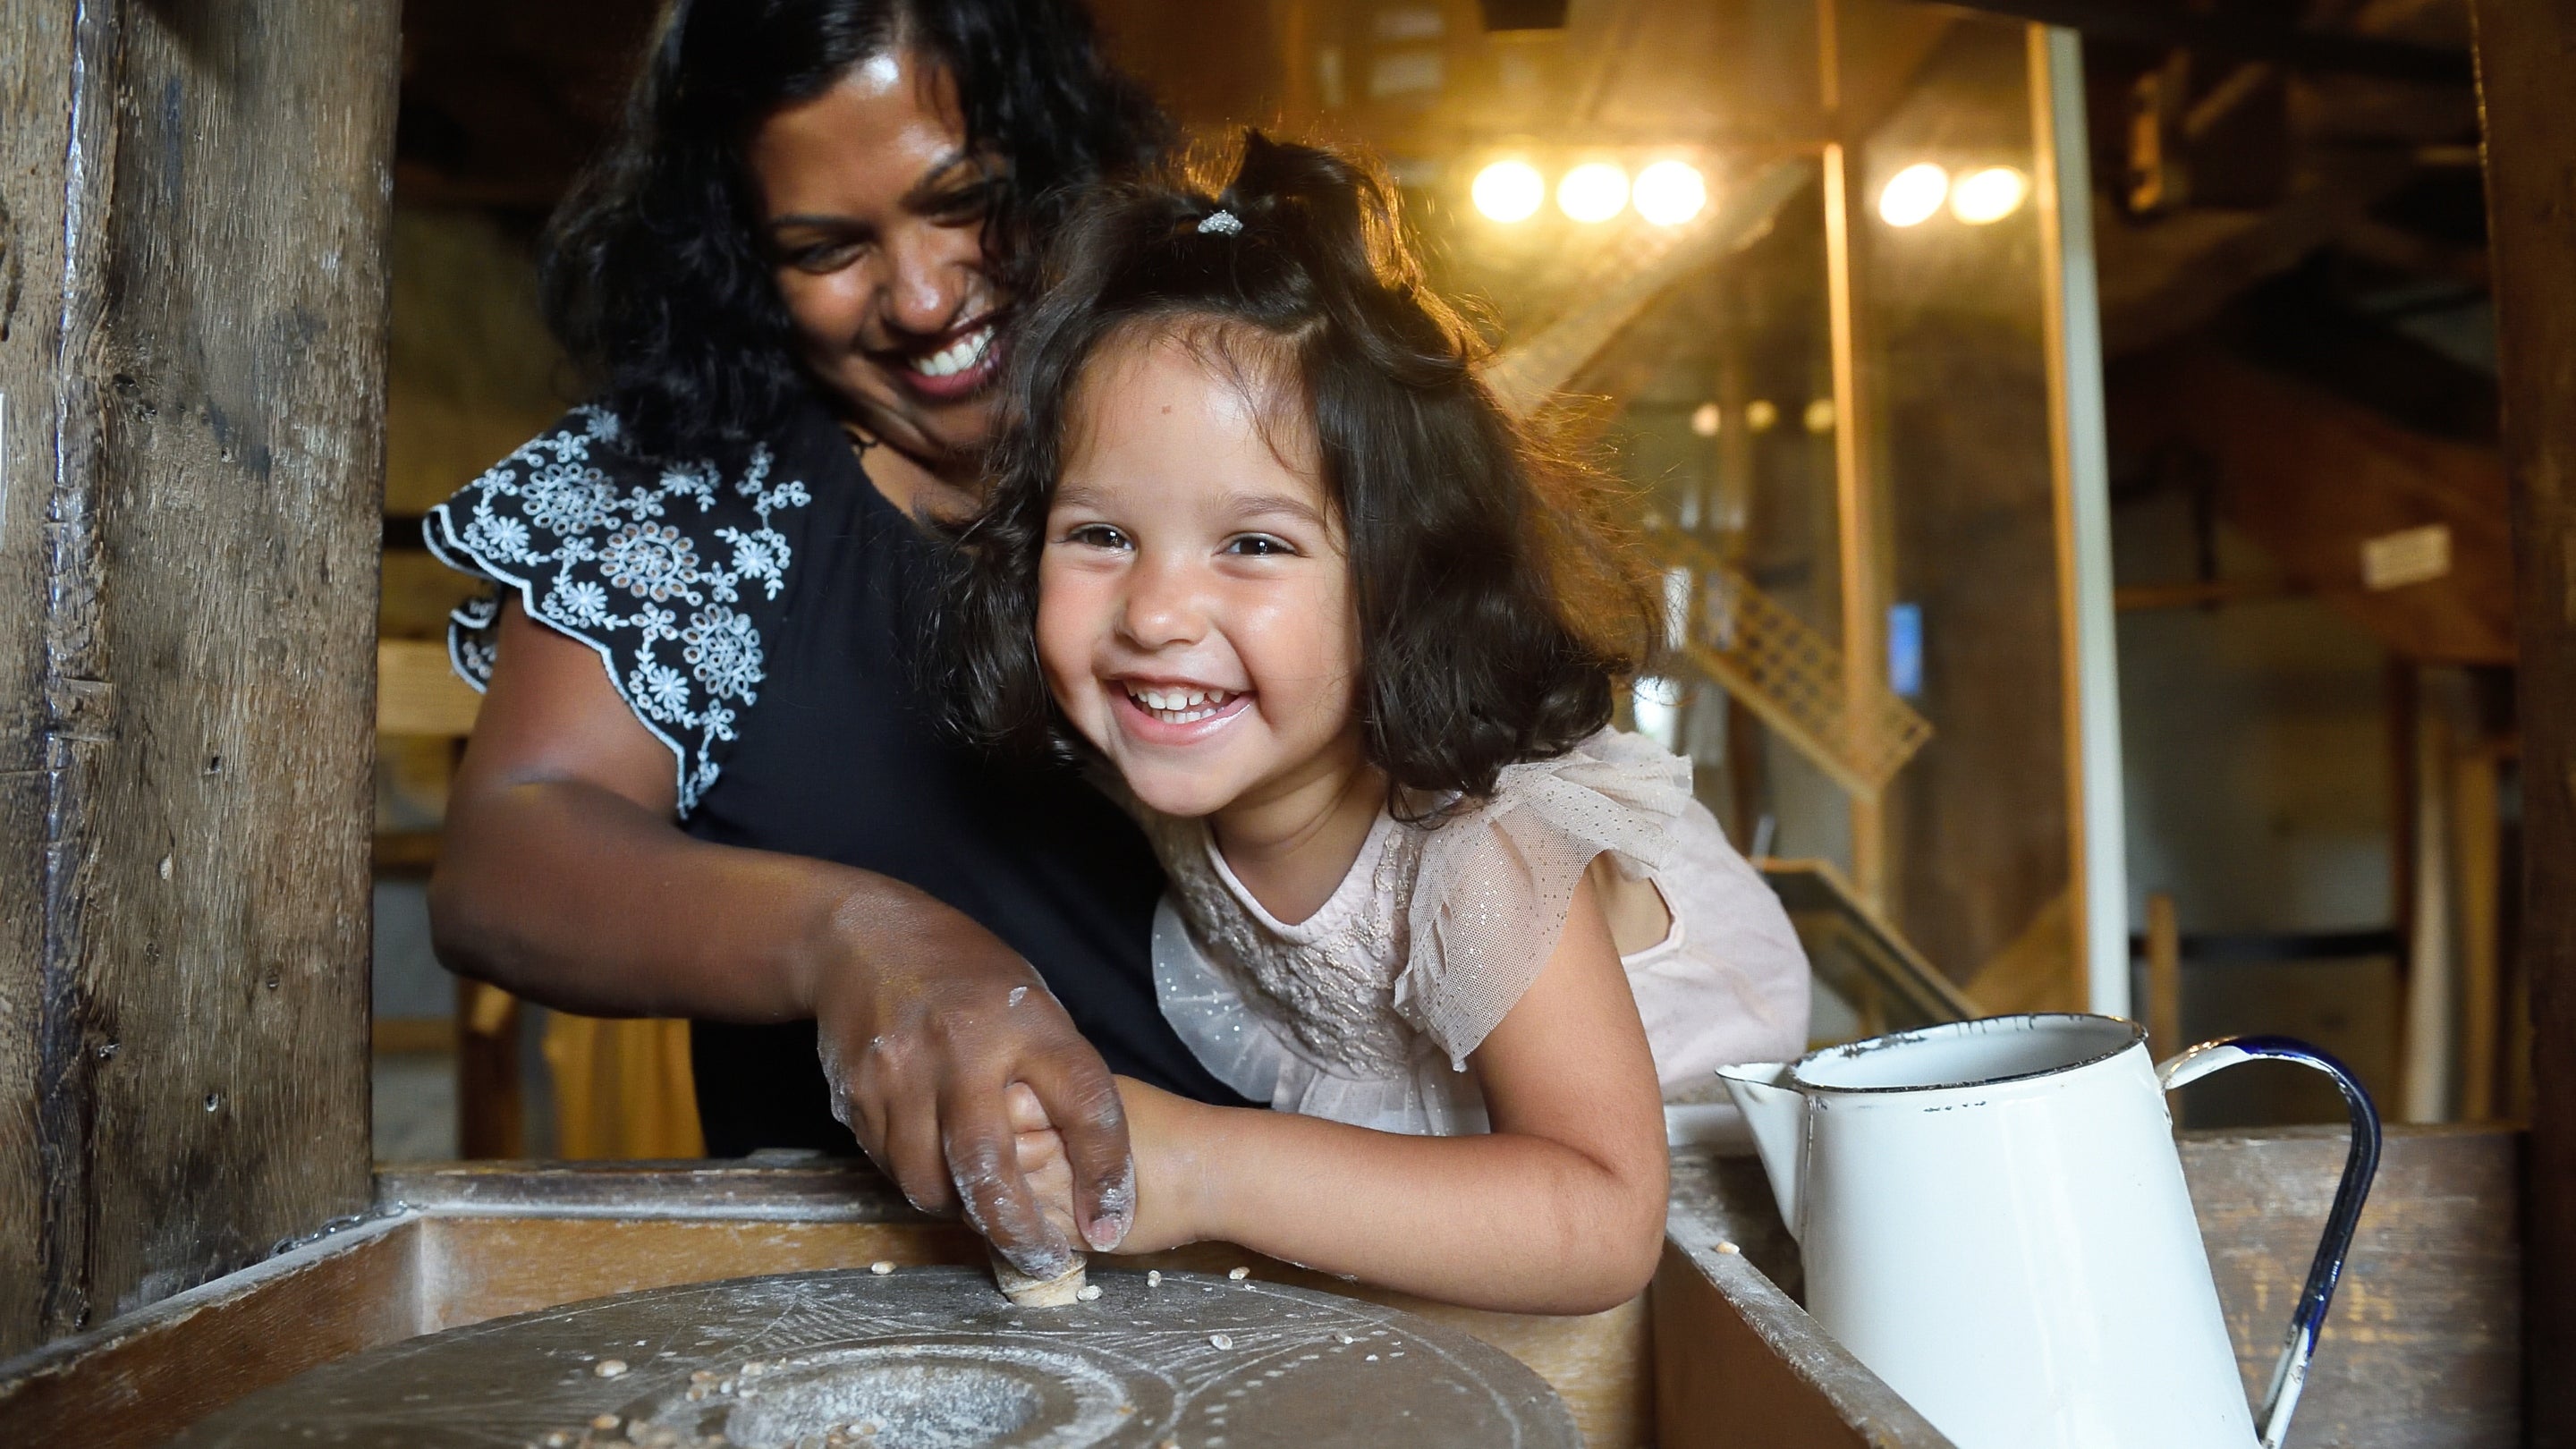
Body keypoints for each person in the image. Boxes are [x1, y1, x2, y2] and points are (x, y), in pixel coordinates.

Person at [424, 0, 1246, 1286]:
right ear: (740, 261)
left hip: (1300, 1269)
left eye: (967, 199)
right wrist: (852, 936)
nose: (921, 298)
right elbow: (510, 851)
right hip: (860, 1318)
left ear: (1063, 156)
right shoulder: (687, 497)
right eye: (826, 248)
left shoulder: (1258, 409)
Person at [940, 133, 1811, 1314]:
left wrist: (1195, 1166)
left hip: (1693, 1249)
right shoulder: (1160, 759)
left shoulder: (1479, 847)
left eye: (1253, 544)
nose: (1153, 612)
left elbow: (1603, 1219)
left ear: (1404, 581)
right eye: (1099, 535)